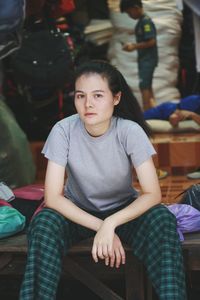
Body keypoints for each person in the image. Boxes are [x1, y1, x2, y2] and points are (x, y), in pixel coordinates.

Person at [19, 60, 186, 300]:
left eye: (98, 95)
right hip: (76, 213)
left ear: (115, 98)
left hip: (124, 212)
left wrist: (111, 224)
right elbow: (53, 197)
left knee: (162, 219)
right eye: (80, 96)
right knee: (43, 224)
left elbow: (152, 193)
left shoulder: (129, 131)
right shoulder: (62, 130)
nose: (88, 104)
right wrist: (101, 226)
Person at [120, 0, 158, 111]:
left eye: (129, 12)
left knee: (144, 86)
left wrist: (134, 46)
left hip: (148, 59)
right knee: (147, 86)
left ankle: (147, 114)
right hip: (145, 59)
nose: (129, 15)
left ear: (136, 7)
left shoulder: (145, 22)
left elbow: (151, 41)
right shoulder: (141, 22)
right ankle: (153, 110)